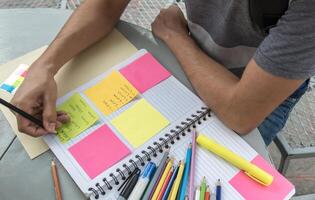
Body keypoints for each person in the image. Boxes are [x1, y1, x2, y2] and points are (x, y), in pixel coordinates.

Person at [10, 0, 315, 145]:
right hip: (192, 52)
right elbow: (105, 6)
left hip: (264, 92)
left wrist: (175, 37)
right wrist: (45, 66)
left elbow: (241, 112)